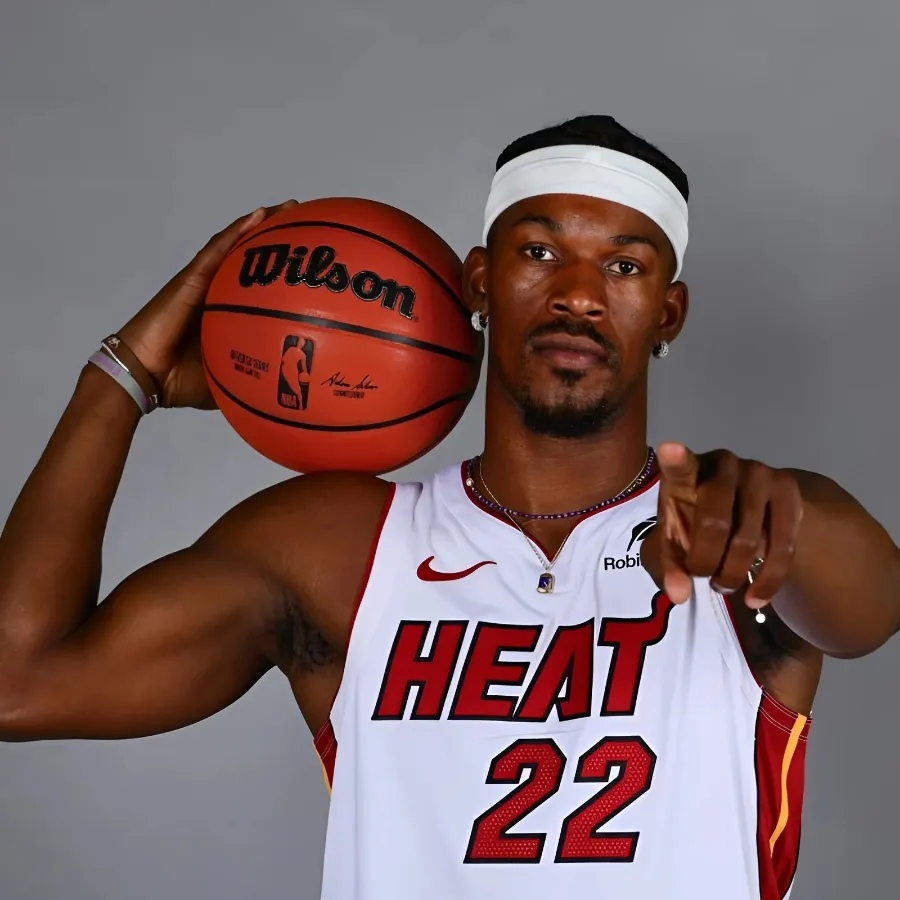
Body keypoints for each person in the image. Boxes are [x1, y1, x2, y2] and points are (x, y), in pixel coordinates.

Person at [0, 115, 897, 900]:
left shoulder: (742, 523)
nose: (578, 294)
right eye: (539, 251)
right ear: (475, 282)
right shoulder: (337, 547)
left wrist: (786, 529)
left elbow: (871, 609)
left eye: (623, 266)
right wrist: (120, 380)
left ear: (669, 314)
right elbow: (20, 682)